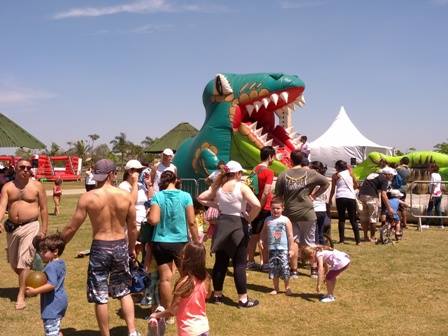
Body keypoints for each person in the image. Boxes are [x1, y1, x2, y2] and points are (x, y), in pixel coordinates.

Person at [61, 159, 140, 336]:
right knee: (124, 291)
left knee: (100, 295)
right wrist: (131, 248)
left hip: (100, 247)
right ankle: (132, 331)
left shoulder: (88, 197)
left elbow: (72, 227)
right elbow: (133, 227)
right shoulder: (125, 196)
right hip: (120, 244)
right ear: (113, 174)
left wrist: (60, 245)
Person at [197, 160, 261, 308]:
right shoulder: (242, 187)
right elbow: (257, 205)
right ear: (237, 173)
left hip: (222, 224)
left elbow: (200, 197)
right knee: (239, 264)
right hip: (238, 224)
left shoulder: (218, 187)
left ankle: (217, 295)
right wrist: (249, 218)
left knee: (220, 263)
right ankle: (243, 299)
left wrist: (217, 205)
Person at [0, 158, 49, 310]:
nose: (26, 170)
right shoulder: (8, 187)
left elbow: (43, 209)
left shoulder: (37, 186)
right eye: (22, 167)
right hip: (13, 229)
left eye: (29, 167)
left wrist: (43, 230)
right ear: (16, 168)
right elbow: (2, 206)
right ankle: (31, 281)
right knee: (15, 263)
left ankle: (21, 295)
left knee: (24, 260)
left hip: (31, 226)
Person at [148, 170, 200, 312]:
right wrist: (197, 241)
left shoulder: (157, 196)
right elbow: (192, 222)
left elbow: (153, 220)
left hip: (160, 241)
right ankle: (186, 307)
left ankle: (168, 310)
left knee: (165, 278)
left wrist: (148, 217)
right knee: (186, 276)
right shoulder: (185, 196)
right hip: (180, 242)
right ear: (176, 180)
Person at [275, 151, 329, 279]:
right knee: (310, 242)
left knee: (293, 242)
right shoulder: (311, 173)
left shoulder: (283, 174)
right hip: (307, 212)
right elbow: (326, 183)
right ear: (303, 160)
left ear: (290, 160)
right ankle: (314, 270)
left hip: (290, 213)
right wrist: (313, 195)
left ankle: (294, 271)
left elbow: (278, 195)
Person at [149, 242, 211, 336]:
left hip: (188, 330)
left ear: (186, 259)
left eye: (183, 254)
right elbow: (208, 295)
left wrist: (157, 315)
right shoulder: (206, 279)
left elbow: (172, 310)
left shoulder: (184, 283)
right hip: (203, 328)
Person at [25, 233, 68, 336]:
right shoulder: (60, 263)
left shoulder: (51, 267)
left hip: (52, 304)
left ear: (55, 252)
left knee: (51, 331)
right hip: (60, 301)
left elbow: (51, 285)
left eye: (44, 251)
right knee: (55, 329)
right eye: (41, 251)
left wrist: (34, 291)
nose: (41, 254)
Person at [247, 146, 275, 271]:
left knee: (254, 235)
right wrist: (260, 205)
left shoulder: (254, 170)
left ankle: (250, 260)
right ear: (270, 156)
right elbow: (266, 191)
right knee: (264, 236)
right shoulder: (269, 172)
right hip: (264, 207)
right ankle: (266, 263)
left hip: (253, 205)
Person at [259, 197, 294, 295]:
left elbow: (290, 235)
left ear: (283, 208)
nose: (275, 210)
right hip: (272, 249)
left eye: (278, 208)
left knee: (285, 268)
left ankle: (287, 287)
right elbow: (263, 232)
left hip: (283, 249)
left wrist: (291, 249)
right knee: (273, 269)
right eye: (273, 208)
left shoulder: (285, 220)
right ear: (270, 208)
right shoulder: (268, 220)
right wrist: (261, 240)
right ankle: (276, 288)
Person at [358, 167, 395, 243]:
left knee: (364, 217)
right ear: (387, 174)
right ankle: (372, 237)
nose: (392, 177)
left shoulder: (372, 175)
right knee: (373, 218)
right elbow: (383, 195)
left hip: (361, 195)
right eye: (392, 175)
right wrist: (389, 208)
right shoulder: (384, 179)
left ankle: (365, 236)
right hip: (371, 197)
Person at [328, 160, 361, 245]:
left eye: (336, 166)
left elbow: (332, 189)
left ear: (338, 167)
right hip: (351, 197)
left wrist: (330, 199)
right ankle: (358, 241)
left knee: (341, 219)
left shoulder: (335, 176)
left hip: (340, 197)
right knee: (353, 219)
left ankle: (341, 240)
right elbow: (356, 185)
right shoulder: (350, 174)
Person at [309, 161, 331, 245]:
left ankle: (317, 250)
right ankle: (322, 248)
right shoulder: (325, 180)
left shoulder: (315, 181)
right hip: (322, 209)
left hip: (314, 208)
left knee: (314, 232)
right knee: (320, 232)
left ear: (316, 169)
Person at [396, 157, 411, 228]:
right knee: (403, 206)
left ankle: (397, 222)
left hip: (397, 189)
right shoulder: (409, 170)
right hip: (404, 188)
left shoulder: (399, 169)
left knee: (396, 205)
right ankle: (405, 223)